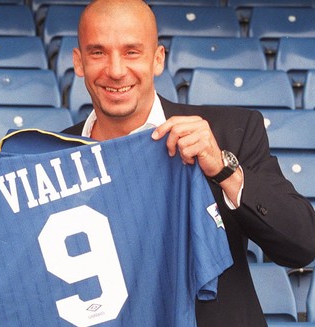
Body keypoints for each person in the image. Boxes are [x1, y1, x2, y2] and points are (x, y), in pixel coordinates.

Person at [62, 0, 315, 326]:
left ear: (157, 59)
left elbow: (302, 245)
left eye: (132, 52)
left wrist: (224, 169)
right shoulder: (46, 156)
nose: (115, 70)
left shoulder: (229, 133)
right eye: (98, 52)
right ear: (78, 61)